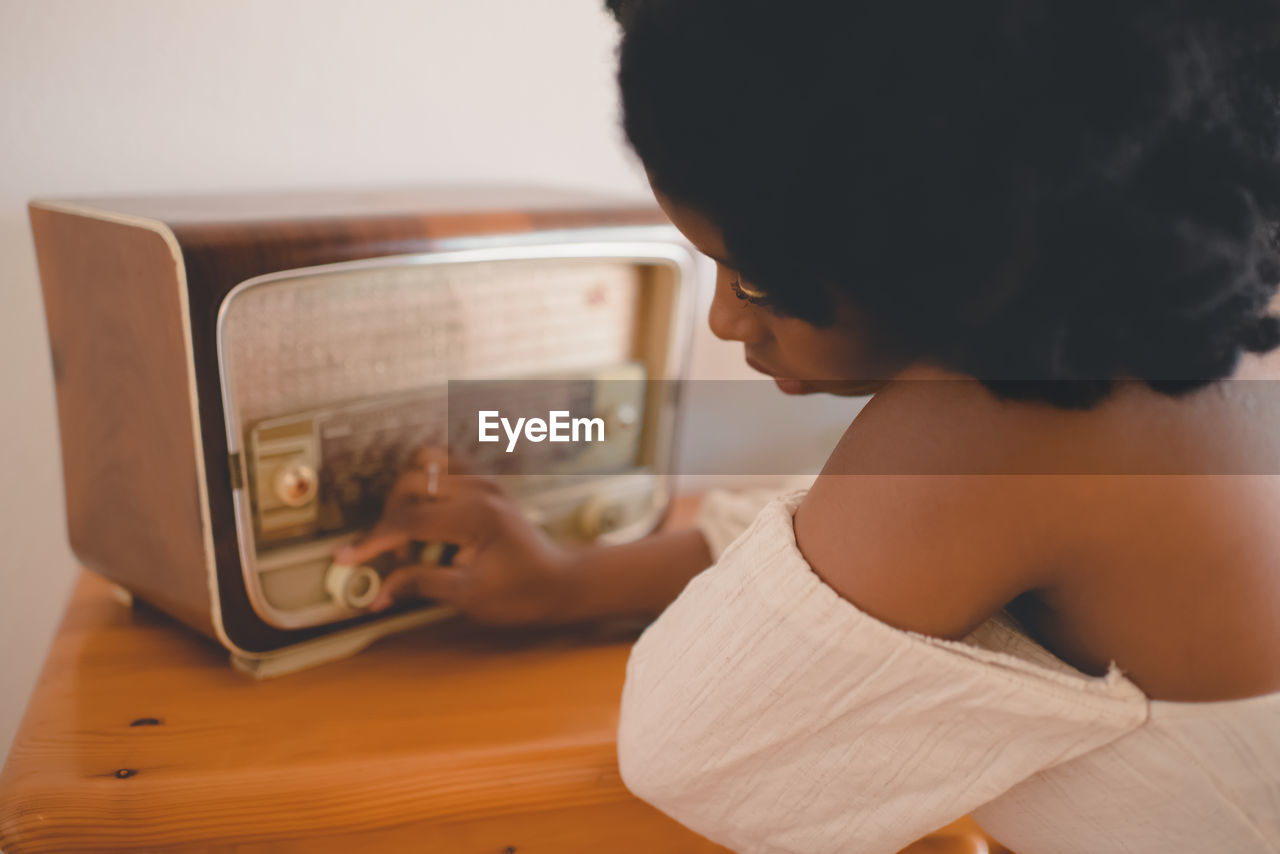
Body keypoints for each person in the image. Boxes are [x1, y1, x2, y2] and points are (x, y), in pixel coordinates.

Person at [335, 1, 1280, 851]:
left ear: (947, 246)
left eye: (758, 281)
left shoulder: (1002, 423)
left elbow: (693, 753)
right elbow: (874, 554)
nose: (723, 324)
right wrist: (572, 583)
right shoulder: (1193, 328)